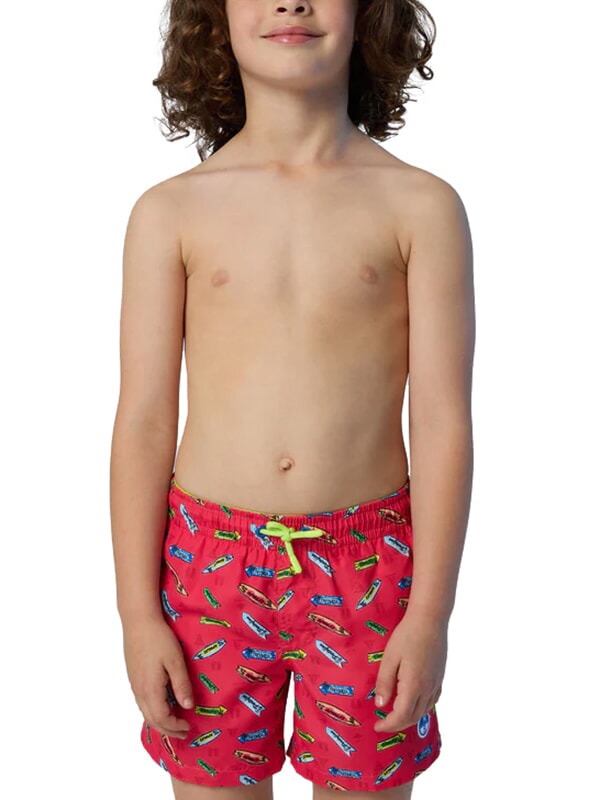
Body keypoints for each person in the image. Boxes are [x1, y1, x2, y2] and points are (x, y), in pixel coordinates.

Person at [109, 0, 475, 797]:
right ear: (214, 17)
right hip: (208, 571)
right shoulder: (169, 212)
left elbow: (443, 419)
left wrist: (430, 615)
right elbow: (143, 421)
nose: (291, 1)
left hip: (367, 572)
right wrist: (137, 617)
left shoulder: (421, 207)